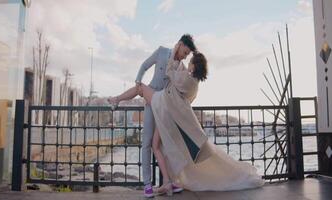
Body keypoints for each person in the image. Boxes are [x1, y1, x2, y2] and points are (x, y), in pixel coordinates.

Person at [108, 42, 265, 196]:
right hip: (167, 111)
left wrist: (174, 57)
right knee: (155, 145)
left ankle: (116, 99)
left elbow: (170, 71)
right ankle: (168, 182)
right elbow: (187, 99)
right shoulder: (191, 81)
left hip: (161, 102)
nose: (186, 59)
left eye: (189, 59)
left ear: (194, 66)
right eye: (186, 54)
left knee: (140, 88)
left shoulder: (185, 76)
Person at [110, 34, 196, 197]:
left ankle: (169, 182)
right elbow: (144, 65)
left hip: (164, 107)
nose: (184, 57)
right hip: (151, 103)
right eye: (185, 52)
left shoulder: (181, 68)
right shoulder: (162, 52)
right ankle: (148, 185)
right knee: (147, 142)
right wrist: (138, 81)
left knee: (165, 144)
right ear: (179, 45)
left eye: (187, 55)